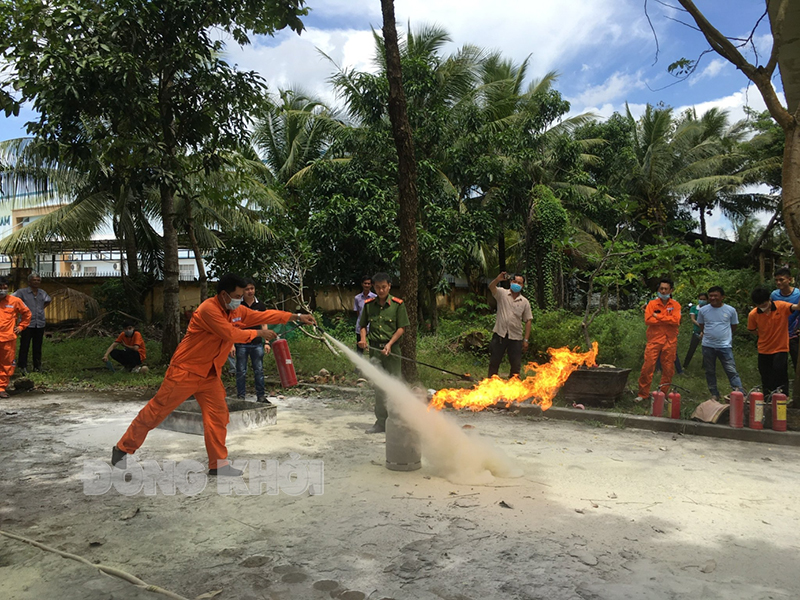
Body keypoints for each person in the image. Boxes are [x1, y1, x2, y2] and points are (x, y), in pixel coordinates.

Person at [112, 274, 316, 476]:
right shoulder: (208, 310)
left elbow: (262, 315)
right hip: (186, 372)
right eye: (237, 295)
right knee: (156, 412)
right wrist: (258, 334)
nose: (240, 299)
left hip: (210, 374)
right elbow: (230, 334)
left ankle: (218, 465)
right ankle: (122, 448)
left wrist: (296, 317)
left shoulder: (235, 311)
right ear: (224, 295)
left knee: (218, 416)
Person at [358, 272, 410, 434]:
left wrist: (389, 344)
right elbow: (362, 325)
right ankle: (381, 422)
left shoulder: (397, 305)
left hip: (392, 351)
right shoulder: (368, 305)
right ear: (374, 287)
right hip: (375, 351)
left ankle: (396, 421)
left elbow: (402, 328)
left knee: (395, 385)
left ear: (389, 286)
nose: (381, 290)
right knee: (379, 386)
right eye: (378, 287)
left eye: (384, 287)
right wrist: (363, 339)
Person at [748, 287, 800, 396]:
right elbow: (752, 329)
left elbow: (796, 307)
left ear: (769, 299)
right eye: (759, 305)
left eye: (764, 304)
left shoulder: (781, 306)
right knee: (765, 375)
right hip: (764, 349)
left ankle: (782, 396)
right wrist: (764, 334)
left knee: (780, 372)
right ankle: (767, 397)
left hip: (780, 348)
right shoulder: (753, 314)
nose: (763, 307)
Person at [637, 279, 681, 401]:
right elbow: (648, 320)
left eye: (666, 289)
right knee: (647, 367)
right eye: (661, 289)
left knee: (668, 369)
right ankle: (643, 394)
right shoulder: (651, 304)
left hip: (670, 341)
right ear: (658, 290)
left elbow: (676, 321)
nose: (663, 291)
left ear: (671, 290)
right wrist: (667, 318)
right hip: (654, 340)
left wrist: (657, 316)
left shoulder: (675, 305)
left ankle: (662, 394)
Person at [697, 286, 744, 401]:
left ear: (722, 297)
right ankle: (714, 393)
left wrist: (724, 336)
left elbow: (734, 326)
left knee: (731, 370)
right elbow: (702, 325)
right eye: (711, 296)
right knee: (709, 371)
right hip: (708, 345)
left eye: (715, 296)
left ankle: (739, 393)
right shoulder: (703, 310)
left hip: (724, 346)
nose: (713, 298)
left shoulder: (730, 310)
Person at [487, 272, 533, 379]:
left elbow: (528, 321)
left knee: (515, 365)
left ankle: (514, 387)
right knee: (494, 362)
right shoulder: (502, 294)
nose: (517, 284)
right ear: (511, 282)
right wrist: (498, 279)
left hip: (516, 337)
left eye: (519, 283)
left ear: (522, 286)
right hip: (500, 335)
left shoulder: (525, 302)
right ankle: (491, 385)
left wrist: (526, 340)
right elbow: (491, 287)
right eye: (515, 281)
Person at [235, 279, 271, 403]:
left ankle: (261, 396)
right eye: (247, 289)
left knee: (259, 371)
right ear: (242, 291)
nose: (250, 291)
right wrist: (230, 345)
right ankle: (241, 397)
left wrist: (266, 342)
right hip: (241, 344)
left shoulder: (260, 306)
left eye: (252, 288)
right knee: (241, 372)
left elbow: (264, 324)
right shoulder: (237, 306)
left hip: (257, 344)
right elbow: (232, 325)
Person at [13, 272, 51, 374]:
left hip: (39, 323)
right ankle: (22, 366)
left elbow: (48, 300)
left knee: (37, 346)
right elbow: (11, 300)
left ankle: (37, 366)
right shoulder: (22, 292)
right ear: (29, 282)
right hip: (27, 324)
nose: (36, 282)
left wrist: (41, 309)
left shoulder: (42, 293)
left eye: (38, 280)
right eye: (34, 280)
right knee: (24, 345)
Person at [0, 277, 31, 398]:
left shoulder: (15, 301)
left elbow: (27, 313)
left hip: (8, 339)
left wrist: (21, 327)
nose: (2, 290)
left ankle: (2, 387)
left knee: (6, 364)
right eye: (0, 287)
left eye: (5, 287)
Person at [770, 267, 800, 370]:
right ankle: (781, 385)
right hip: (779, 334)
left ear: (790, 279)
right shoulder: (774, 295)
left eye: (781, 280)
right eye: (776, 280)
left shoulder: (798, 294)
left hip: (794, 334)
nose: (778, 283)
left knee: (797, 361)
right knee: (779, 364)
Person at [684, 292, 708, 367]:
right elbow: (693, 319)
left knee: (706, 350)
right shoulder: (694, 308)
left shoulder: (709, 309)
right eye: (700, 299)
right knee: (692, 348)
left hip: (707, 331)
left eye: (704, 299)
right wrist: (701, 326)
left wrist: (704, 329)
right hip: (697, 330)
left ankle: (704, 366)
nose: (702, 301)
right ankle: (685, 365)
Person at [353, 275, 376, 355]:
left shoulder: (375, 298)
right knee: (360, 349)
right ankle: (359, 366)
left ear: (371, 285)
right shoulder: (357, 298)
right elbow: (358, 312)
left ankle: (373, 366)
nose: (367, 285)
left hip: (372, 326)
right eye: (365, 283)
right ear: (362, 284)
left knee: (373, 349)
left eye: (369, 284)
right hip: (360, 326)